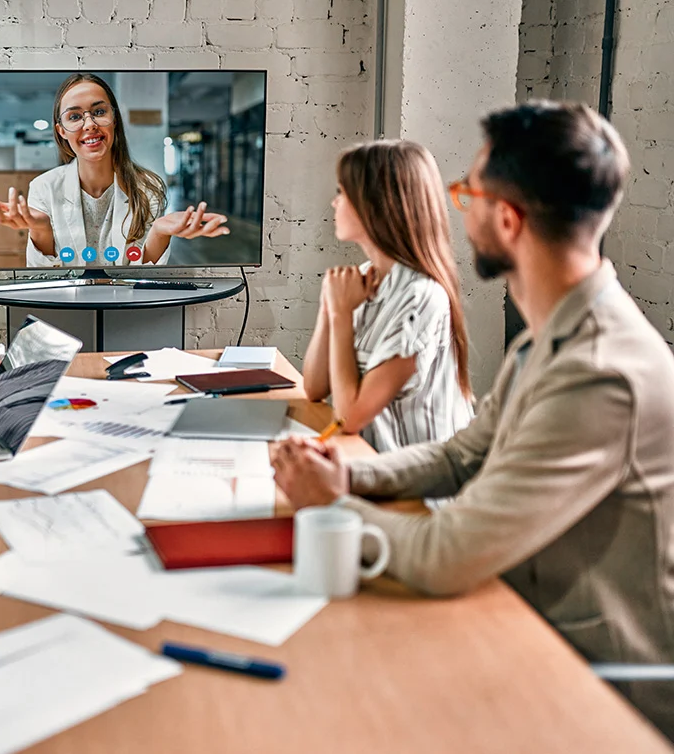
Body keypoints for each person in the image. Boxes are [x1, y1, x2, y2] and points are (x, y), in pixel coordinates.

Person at [272, 102, 674, 737]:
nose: (456, 209)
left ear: (508, 220)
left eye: (468, 194)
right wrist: (349, 480)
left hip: (589, 676)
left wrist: (328, 504)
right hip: (521, 612)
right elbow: (462, 455)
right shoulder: (548, 338)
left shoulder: (600, 374)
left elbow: (449, 553)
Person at [301, 140, 473, 457]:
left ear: (376, 205)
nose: (334, 203)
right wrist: (330, 307)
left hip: (419, 491)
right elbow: (314, 387)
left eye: (343, 192)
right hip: (368, 463)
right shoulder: (366, 278)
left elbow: (349, 417)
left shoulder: (420, 296)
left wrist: (341, 317)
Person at [0, 73, 229, 268]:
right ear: (61, 131)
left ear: (114, 119)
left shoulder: (148, 187)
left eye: (99, 112)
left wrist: (160, 231)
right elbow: (44, 275)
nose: (89, 124)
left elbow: (142, 274)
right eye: (75, 117)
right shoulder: (44, 187)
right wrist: (41, 229)